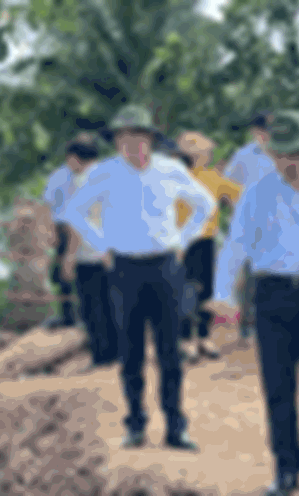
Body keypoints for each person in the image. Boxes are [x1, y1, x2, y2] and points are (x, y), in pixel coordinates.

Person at [206, 110, 299, 496]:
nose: (292, 162)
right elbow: (236, 245)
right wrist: (223, 294)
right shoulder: (257, 193)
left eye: (298, 153)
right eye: (284, 154)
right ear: (273, 155)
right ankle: (286, 468)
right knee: (279, 385)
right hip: (273, 294)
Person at [57, 104, 216, 450]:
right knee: (130, 351)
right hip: (124, 267)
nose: (131, 144)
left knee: (169, 351)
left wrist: (183, 241)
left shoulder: (170, 169)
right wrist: (102, 246)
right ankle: (135, 424)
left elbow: (205, 204)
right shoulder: (104, 172)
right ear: (116, 142)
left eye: (138, 137)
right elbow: (75, 212)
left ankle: (175, 426)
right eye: (123, 138)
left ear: (150, 139)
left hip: (165, 266)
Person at [174, 131, 241, 362]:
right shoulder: (175, 177)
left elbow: (240, 197)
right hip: (182, 242)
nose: (210, 154)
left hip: (207, 241)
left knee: (207, 290)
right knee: (185, 290)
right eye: (206, 151)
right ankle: (185, 339)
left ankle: (204, 336)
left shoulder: (213, 177)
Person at [60, 133, 120, 371]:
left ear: (75, 158)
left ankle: (102, 357)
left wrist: (69, 256)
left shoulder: (80, 181)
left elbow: (76, 223)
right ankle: (118, 355)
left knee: (92, 308)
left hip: (89, 253)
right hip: (112, 251)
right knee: (111, 304)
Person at [222, 110, 275, 342]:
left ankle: (271, 321)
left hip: (279, 221)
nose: (268, 135)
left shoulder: (285, 153)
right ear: (255, 132)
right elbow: (226, 186)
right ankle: (248, 324)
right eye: (264, 130)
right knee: (251, 274)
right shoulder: (243, 156)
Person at [43, 141, 85, 329]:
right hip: (62, 228)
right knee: (61, 273)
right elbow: (48, 205)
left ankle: (85, 315)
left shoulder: (91, 174)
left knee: (85, 270)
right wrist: (50, 231)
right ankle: (68, 316)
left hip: (85, 227)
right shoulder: (58, 176)